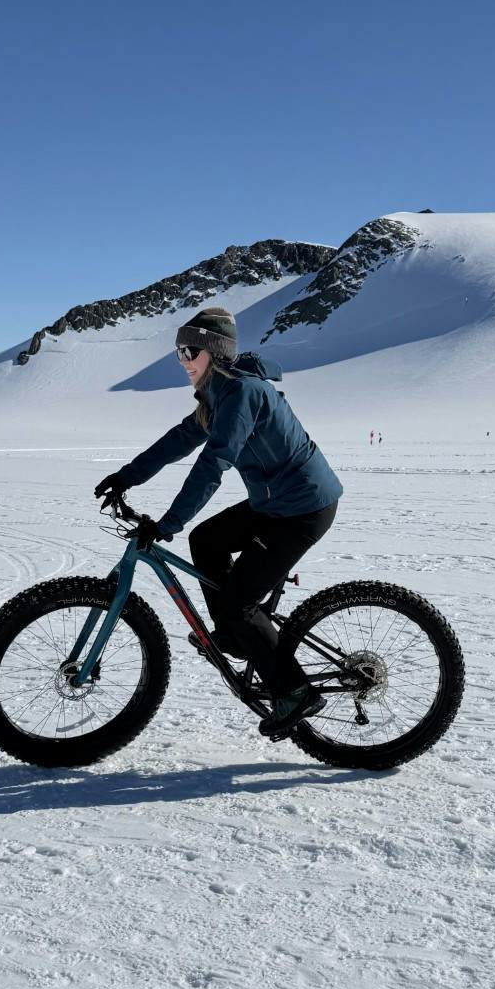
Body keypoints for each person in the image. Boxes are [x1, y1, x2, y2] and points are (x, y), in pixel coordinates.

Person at [94, 306, 343, 737]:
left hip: (302, 509)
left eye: (191, 351)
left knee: (238, 602)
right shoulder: (216, 396)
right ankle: (233, 636)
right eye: (178, 353)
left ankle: (295, 691)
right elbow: (180, 440)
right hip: (273, 504)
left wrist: (167, 522)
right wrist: (126, 477)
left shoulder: (243, 393)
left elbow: (214, 463)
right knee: (206, 540)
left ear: (216, 354)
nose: (184, 361)